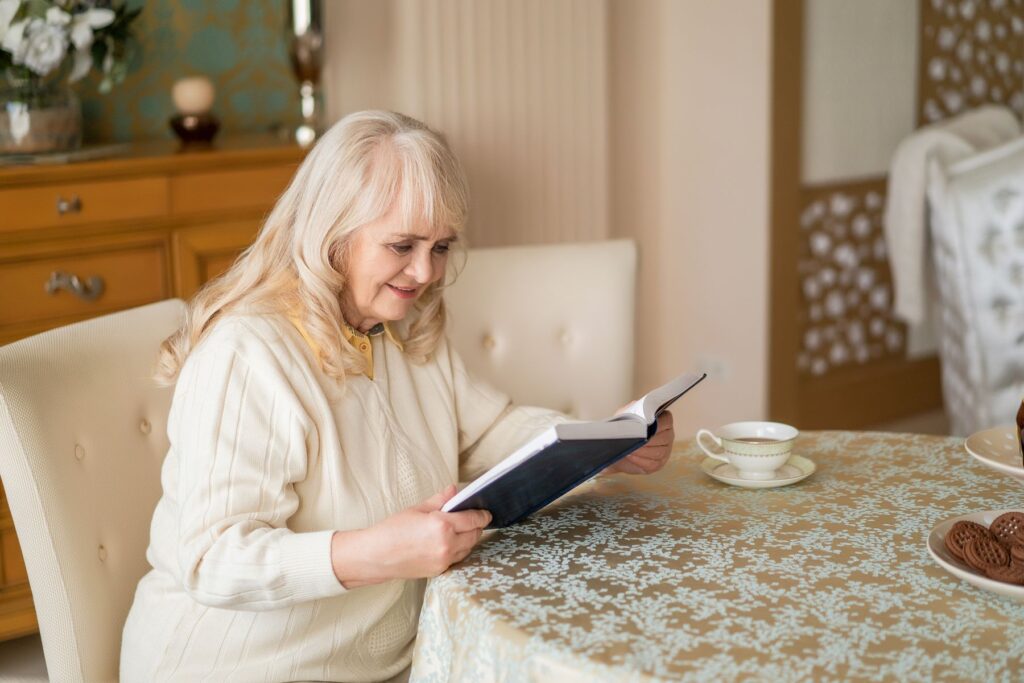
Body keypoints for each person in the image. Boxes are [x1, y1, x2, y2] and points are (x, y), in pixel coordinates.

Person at [120, 110, 675, 682]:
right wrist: (377, 552)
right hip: (237, 668)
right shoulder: (249, 353)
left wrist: (603, 443)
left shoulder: (403, 323)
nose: (424, 272)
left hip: (395, 661)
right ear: (332, 234)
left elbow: (487, 429)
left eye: (440, 247)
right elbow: (213, 560)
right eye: (402, 244)